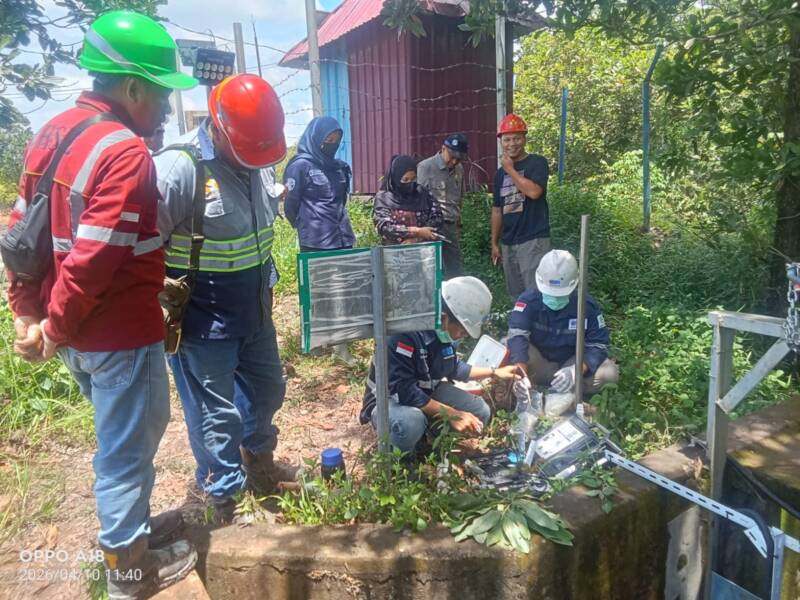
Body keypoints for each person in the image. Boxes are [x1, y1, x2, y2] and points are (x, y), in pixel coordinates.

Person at [6, 11, 198, 598]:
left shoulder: (52, 132)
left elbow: (22, 233)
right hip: (112, 333)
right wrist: (54, 327)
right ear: (133, 87)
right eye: (161, 93)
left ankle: (130, 539)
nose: (166, 107)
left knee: (125, 438)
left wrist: (29, 314)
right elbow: (92, 259)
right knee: (126, 453)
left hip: (78, 332)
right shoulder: (124, 151)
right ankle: (129, 575)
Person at [154, 74, 296, 523]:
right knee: (215, 413)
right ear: (217, 128)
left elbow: (258, 238)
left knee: (269, 388)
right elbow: (139, 247)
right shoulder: (179, 169)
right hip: (202, 321)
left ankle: (258, 460)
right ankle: (224, 497)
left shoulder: (258, 160)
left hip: (254, 311)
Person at [360, 276, 520, 453]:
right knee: (411, 423)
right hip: (388, 398)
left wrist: (494, 372)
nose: (461, 336)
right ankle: (397, 456)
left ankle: (430, 438)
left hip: (426, 391)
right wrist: (453, 414)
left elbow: (454, 368)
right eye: (462, 331)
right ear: (444, 318)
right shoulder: (403, 332)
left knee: (480, 411)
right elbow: (406, 391)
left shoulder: (443, 332)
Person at [506, 250, 619, 414]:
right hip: (540, 363)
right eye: (550, 294)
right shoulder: (528, 301)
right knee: (508, 348)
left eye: (560, 294)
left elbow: (598, 344)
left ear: (574, 286)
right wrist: (521, 375)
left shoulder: (586, 306)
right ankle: (535, 388)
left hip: (572, 363)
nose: (555, 299)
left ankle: (563, 391)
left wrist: (575, 371)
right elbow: (517, 336)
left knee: (609, 374)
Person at [283, 116, 356, 363]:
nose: (332, 144)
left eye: (336, 141)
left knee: (343, 292)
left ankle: (340, 345)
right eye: (328, 140)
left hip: (342, 238)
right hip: (315, 240)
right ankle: (314, 341)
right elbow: (291, 205)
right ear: (316, 138)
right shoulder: (300, 166)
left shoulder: (338, 167)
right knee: (316, 293)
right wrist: (306, 225)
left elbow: (342, 201)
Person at [491, 114, 551, 299]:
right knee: (516, 295)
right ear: (501, 141)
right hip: (509, 241)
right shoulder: (499, 174)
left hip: (533, 239)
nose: (512, 144)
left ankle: (540, 328)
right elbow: (497, 210)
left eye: (517, 138)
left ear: (524, 139)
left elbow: (534, 192)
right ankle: (521, 327)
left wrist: (510, 169)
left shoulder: (537, 162)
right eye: (507, 139)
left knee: (536, 293)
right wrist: (494, 242)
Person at [417, 134, 468, 278]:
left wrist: (459, 222)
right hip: (431, 225)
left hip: (451, 225)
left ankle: (453, 299)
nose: (454, 161)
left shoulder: (459, 169)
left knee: (455, 269)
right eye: (451, 156)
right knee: (431, 269)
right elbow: (418, 199)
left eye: (458, 158)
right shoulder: (426, 167)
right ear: (443, 148)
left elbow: (459, 197)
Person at [373, 154, 444, 245]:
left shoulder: (423, 193)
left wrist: (417, 238)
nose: (409, 184)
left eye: (413, 179)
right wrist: (416, 231)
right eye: (405, 180)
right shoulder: (384, 198)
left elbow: (437, 218)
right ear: (396, 178)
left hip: (423, 251)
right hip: (393, 253)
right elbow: (384, 227)